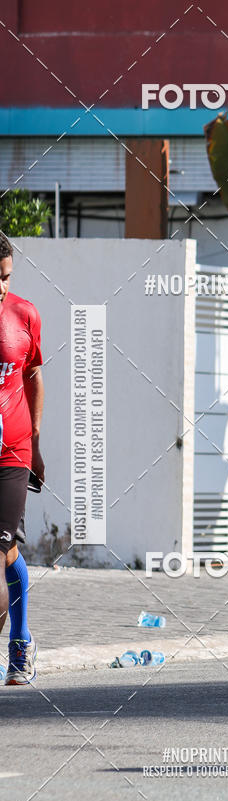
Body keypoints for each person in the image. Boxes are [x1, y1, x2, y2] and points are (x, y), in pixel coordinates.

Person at [0, 235, 44, 685]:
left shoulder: (24, 313)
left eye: (6, 276)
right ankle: (22, 637)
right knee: (8, 551)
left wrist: (37, 442)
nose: (0, 285)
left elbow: (32, 375)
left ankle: (16, 646)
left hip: (13, 449)